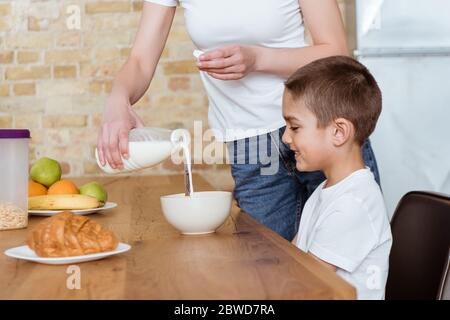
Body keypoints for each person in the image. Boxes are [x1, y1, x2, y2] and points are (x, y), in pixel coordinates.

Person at [97, 0, 381, 241]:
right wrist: (117, 101)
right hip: (251, 147)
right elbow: (140, 61)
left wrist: (257, 59)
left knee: (344, 267)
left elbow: (336, 51)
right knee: (268, 273)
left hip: (321, 129)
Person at [283, 56, 392, 299]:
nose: (285, 139)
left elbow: (303, 286)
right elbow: (290, 259)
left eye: (295, 127)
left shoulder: (353, 204)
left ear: (338, 132)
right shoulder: (326, 190)